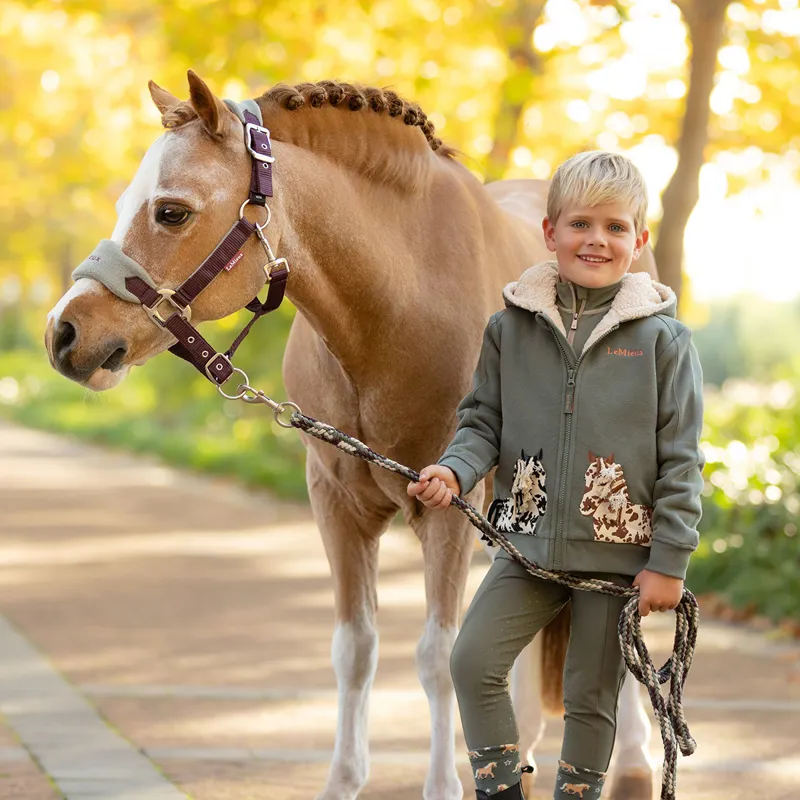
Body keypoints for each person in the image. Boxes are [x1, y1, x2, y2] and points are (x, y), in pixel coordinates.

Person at [407, 150, 705, 800]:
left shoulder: (665, 343)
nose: (596, 239)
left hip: (616, 553)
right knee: (472, 660)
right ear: (550, 233)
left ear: (639, 240)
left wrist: (670, 561)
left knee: (589, 696)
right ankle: (502, 790)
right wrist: (455, 473)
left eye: (615, 227)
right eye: (579, 224)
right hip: (527, 545)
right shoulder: (510, 328)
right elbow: (481, 421)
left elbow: (682, 461)